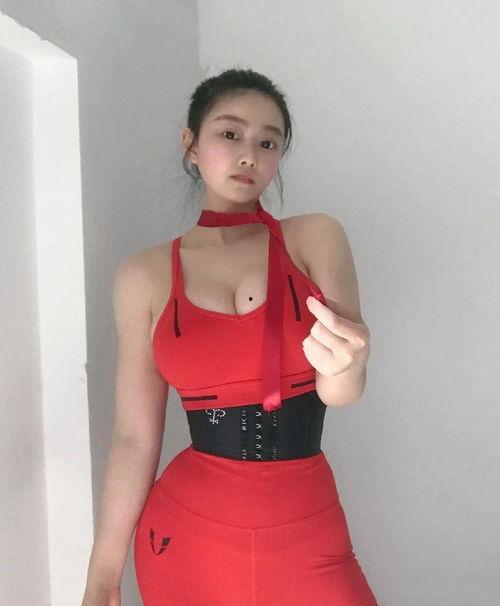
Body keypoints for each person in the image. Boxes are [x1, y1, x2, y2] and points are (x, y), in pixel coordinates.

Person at [82, 68, 378, 606]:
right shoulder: (144, 275)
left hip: (306, 527)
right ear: (191, 145)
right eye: (229, 134)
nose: (248, 155)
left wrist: (351, 366)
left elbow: (340, 392)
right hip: (187, 535)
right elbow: (134, 437)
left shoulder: (315, 236)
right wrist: (102, 577)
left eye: (268, 142)